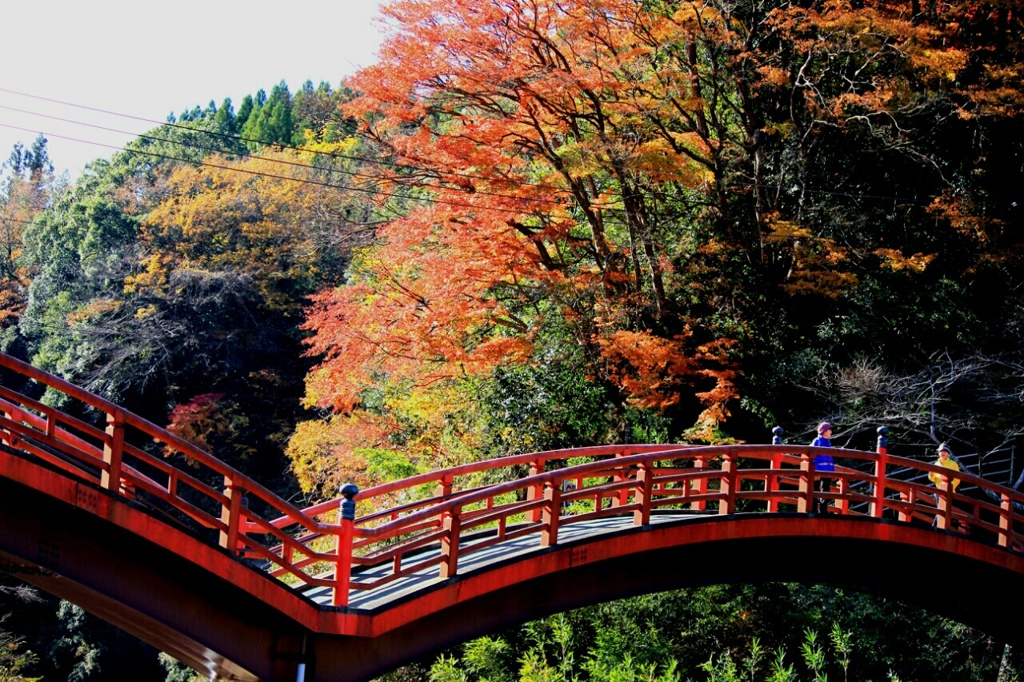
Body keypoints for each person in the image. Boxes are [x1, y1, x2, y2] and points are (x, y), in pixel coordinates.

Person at [810, 422, 834, 513]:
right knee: (815, 489)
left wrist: (832, 471)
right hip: (818, 470)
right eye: (829, 429)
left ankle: (823, 510)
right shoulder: (817, 441)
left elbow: (830, 458)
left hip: (827, 470)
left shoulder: (828, 443)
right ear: (824, 431)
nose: (831, 431)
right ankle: (814, 509)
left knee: (826, 490)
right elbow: (812, 456)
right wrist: (815, 470)